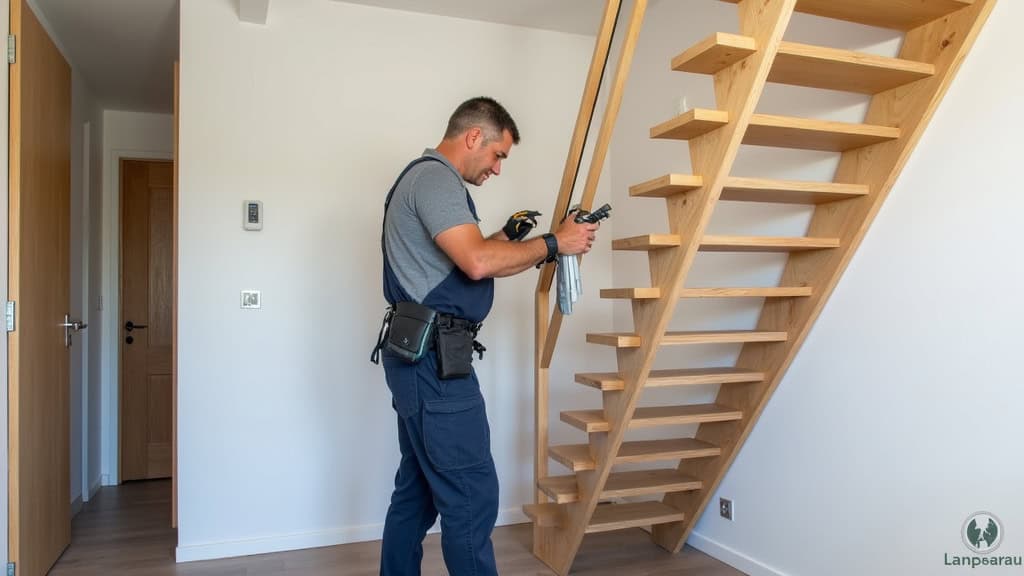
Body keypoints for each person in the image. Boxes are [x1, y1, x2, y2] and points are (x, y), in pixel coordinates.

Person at [375, 97, 598, 575]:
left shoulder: (419, 179)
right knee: (472, 496)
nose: (497, 168)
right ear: (474, 136)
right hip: (435, 365)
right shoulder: (436, 179)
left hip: (418, 360)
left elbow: (461, 263)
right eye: (499, 154)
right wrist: (556, 243)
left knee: (416, 492)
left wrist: (507, 236)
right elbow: (476, 263)